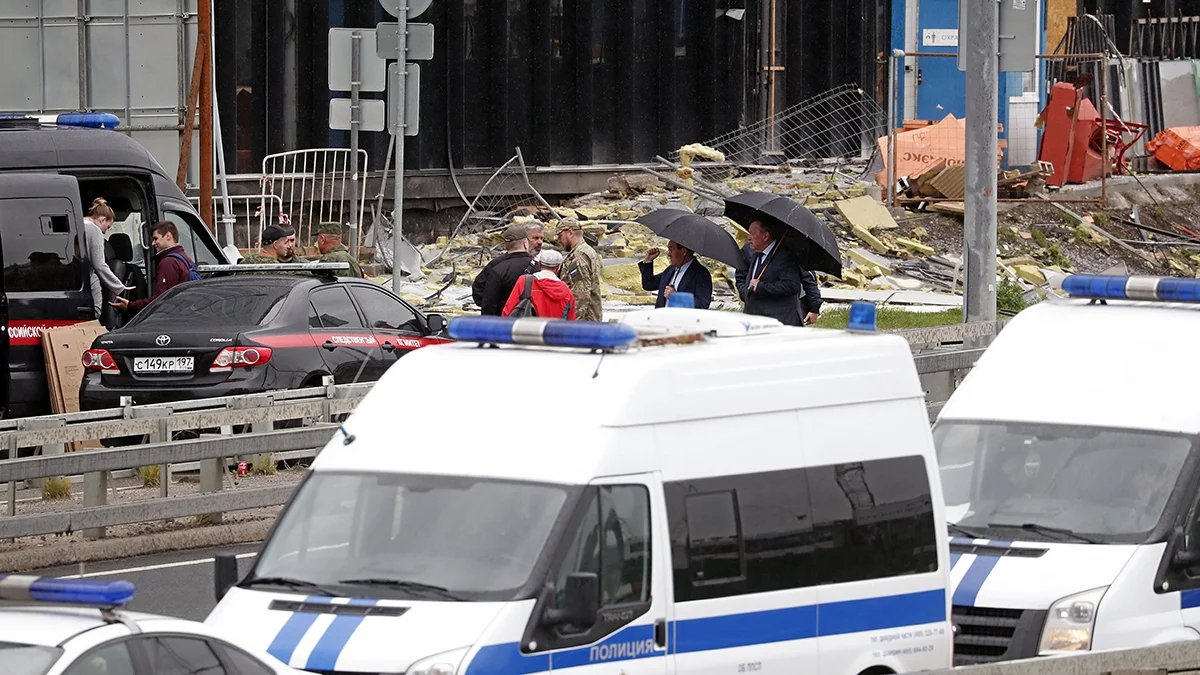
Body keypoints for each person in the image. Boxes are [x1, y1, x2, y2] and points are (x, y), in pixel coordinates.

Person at [734, 221, 823, 326]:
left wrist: (814, 307)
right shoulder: (753, 252)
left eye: (752, 233)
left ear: (765, 236)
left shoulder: (787, 256)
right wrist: (746, 294)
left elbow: (793, 285)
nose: (748, 237)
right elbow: (741, 276)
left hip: (779, 322)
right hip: (754, 320)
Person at [110, 221, 197, 314]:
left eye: (156, 238)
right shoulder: (184, 258)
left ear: (168, 236)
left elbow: (160, 300)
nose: (153, 243)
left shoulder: (168, 262)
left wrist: (130, 305)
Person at [82, 197, 133, 318]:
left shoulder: (79, 224)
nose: (105, 232)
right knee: (95, 313)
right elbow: (99, 265)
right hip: (84, 280)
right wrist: (120, 287)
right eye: (108, 227)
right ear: (102, 219)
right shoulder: (94, 230)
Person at [472, 223, 536, 316]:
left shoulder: (496, 265)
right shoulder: (539, 266)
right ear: (525, 243)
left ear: (505, 245)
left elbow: (479, 291)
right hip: (531, 321)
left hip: (501, 320)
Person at [502, 249, 576, 320]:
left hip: (527, 331)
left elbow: (508, 311)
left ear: (539, 264)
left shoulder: (525, 281)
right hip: (554, 332)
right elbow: (571, 322)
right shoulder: (567, 292)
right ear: (558, 267)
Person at [639, 241, 713, 309]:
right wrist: (648, 260)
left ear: (684, 252)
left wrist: (676, 297)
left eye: (671, 250)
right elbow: (648, 284)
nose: (668, 254)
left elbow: (702, 305)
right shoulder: (670, 269)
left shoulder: (701, 274)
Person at [556, 218, 603, 321]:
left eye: (560, 236)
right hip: (590, 319)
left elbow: (581, 294)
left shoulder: (578, 256)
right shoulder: (588, 250)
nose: (559, 241)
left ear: (570, 232)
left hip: (583, 322)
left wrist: (573, 322)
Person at [240, 224, 305, 265]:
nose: (290, 245)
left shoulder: (245, 263)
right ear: (275, 245)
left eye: (292, 240)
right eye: (286, 242)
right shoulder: (273, 267)